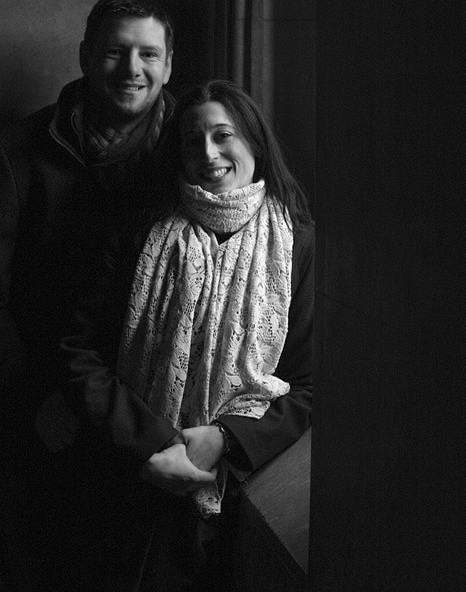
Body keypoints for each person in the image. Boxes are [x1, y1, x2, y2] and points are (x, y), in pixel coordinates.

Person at [0, 0, 184, 588]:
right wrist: (37, 404)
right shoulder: (18, 153)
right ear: (84, 57)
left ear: (167, 65)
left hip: (146, 428)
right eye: (115, 52)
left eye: (148, 54)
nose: (132, 69)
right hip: (34, 427)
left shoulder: (194, 152)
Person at [104, 79, 315, 589]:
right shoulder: (141, 230)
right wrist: (159, 443)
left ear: (254, 145)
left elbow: (309, 382)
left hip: (242, 487)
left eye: (224, 135)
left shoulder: (298, 244)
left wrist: (222, 441)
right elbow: (83, 350)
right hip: (133, 474)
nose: (208, 152)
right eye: (192, 141)